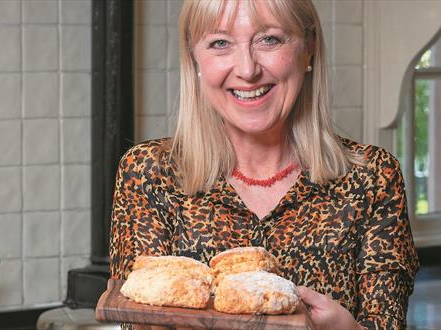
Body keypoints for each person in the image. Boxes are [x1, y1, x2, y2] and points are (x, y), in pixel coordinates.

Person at [109, 0, 419, 329]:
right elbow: (137, 314)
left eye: (269, 39)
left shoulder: (372, 177)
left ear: (309, 48)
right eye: (220, 43)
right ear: (194, 58)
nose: (247, 69)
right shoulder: (149, 172)